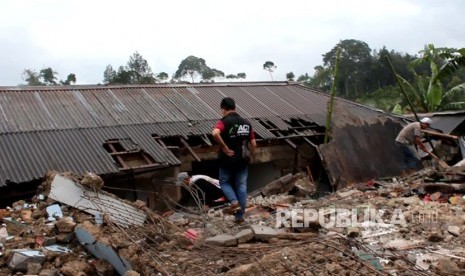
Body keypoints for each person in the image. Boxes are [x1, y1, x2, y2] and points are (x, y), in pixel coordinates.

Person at [212, 97, 257, 224]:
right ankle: (239, 216)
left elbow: (215, 133)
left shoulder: (224, 122)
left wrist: (225, 147)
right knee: (241, 186)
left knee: (224, 182)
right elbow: (254, 144)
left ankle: (234, 202)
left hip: (228, 159)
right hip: (243, 159)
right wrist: (251, 157)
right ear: (235, 108)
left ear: (223, 109)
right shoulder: (246, 123)